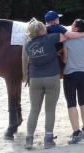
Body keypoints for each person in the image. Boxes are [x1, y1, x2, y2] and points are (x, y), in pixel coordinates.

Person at [23, 18, 69, 150]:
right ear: (42, 30)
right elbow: (64, 35)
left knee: (34, 110)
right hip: (51, 77)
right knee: (50, 110)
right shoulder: (51, 38)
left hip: (35, 78)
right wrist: (51, 27)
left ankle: (29, 139)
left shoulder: (28, 45)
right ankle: (48, 140)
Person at [61, 19, 84, 145]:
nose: (70, 27)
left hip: (70, 73)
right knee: (83, 101)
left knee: (71, 103)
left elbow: (65, 60)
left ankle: (76, 132)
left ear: (76, 29)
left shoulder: (67, 41)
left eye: (72, 26)